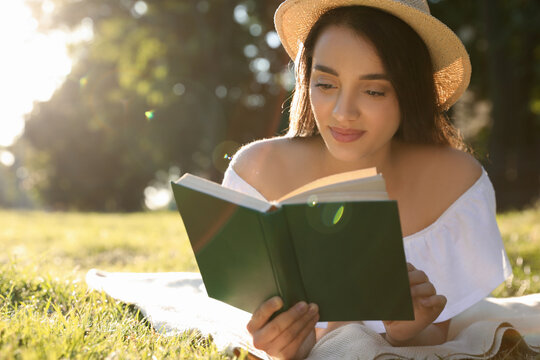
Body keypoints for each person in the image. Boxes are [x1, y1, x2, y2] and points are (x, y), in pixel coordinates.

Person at [221, 0, 512, 358]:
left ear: (409, 92)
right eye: (326, 84)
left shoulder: (457, 185)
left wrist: (406, 335)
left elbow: (446, 337)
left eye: (373, 90)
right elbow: (245, 323)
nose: (343, 113)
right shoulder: (257, 171)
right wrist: (281, 347)